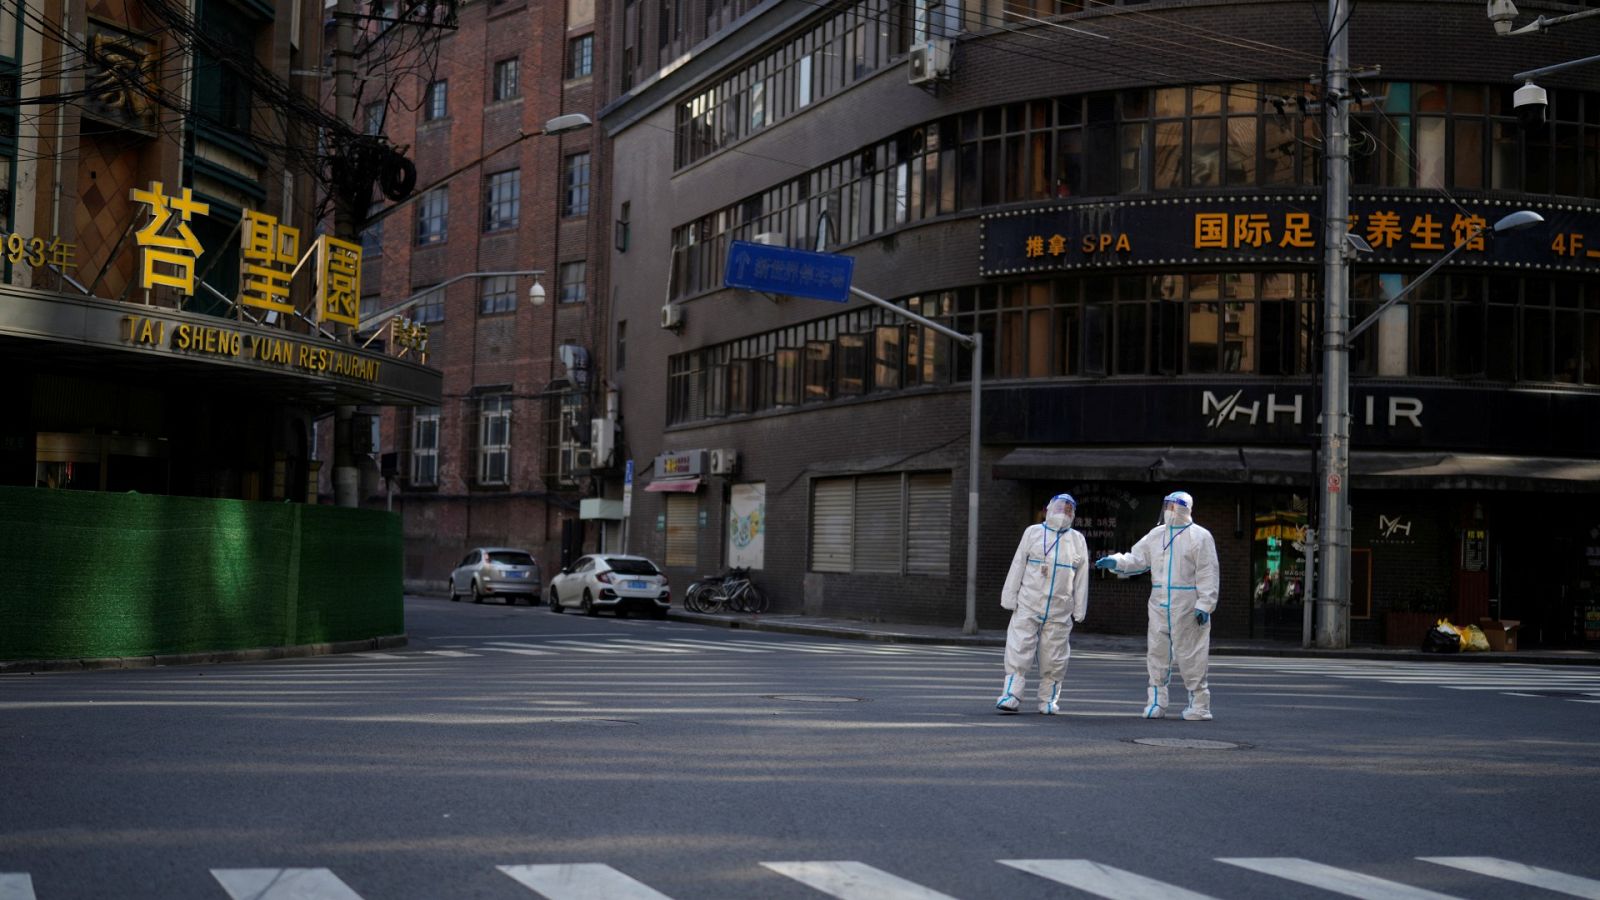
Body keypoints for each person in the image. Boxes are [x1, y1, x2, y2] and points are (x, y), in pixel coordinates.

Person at [1093, 491, 1220, 721]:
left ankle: (1199, 704)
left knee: (1192, 654)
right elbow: (1138, 559)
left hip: (1187, 604)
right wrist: (1117, 562)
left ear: (1184, 508)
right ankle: (1156, 702)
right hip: (1159, 601)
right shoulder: (1156, 535)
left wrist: (1205, 603)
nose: (1169, 510)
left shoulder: (1200, 537)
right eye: (1167, 505)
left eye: (1173, 505)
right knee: (1157, 652)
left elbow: (1208, 572)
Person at [995, 493, 1089, 715]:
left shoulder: (1077, 539)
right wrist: (1010, 596)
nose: (1064, 513)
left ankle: (1048, 699)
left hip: (1060, 607)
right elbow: (1018, 563)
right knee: (1019, 647)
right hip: (1028, 602)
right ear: (1049, 508)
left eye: (1069, 509)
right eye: (1060, 507)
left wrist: (1079, 607)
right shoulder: (1033, 532)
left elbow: (1082, 576)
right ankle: (1011, 694)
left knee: (1054, 655)